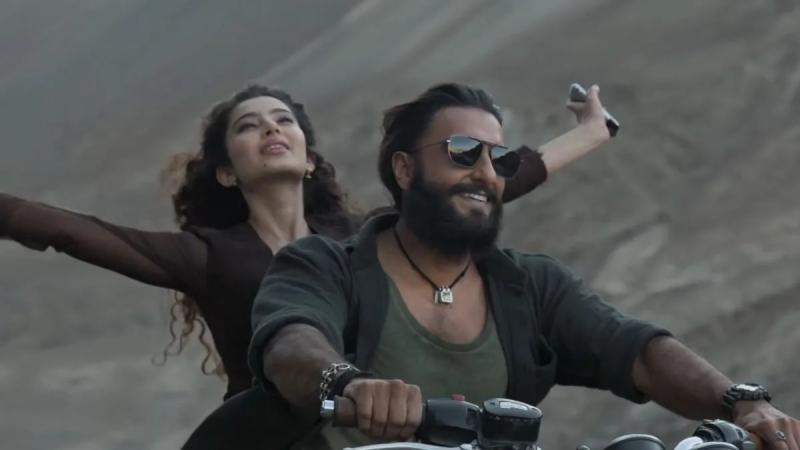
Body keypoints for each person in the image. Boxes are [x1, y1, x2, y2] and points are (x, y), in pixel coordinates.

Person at [247, 83, 800, 450]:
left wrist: (743, 403)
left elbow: (636, 350)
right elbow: (290, 341)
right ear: (405, 169)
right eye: (463, 151)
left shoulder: (529, 286)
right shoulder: (325, 265)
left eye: (499, 158)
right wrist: (346, 382)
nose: (485, 172)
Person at [0, 84, 612, 401]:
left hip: (375, 434)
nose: (270, 128)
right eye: (249, 126)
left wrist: (591, 132)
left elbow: (488, 179)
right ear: (226, 172)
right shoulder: (207, 256)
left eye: (283, 120)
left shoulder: (363, 238)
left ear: (309, 157)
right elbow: (70, 232)